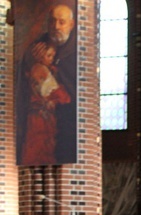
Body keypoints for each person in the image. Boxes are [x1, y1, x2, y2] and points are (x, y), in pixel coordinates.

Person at [17, 3, 77, 165]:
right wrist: (32, 62)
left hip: (67, 125)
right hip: (39, 122)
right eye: (52, 21)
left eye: (61, 22)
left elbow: (73, 91)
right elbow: (25, 83)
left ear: (71, 24)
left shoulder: (78, 50)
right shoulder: (39, 46)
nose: (55, 26)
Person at [21, 42, 71, 165]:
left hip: (46, 116)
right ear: (39, 55)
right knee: (38, 146)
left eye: (53, 56)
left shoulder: (47, 69)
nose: (52, 59)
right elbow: (60, 95)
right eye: (49, 56)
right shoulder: (40, 69)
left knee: (46, 145)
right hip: (39, 118)